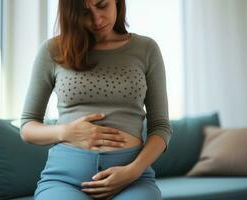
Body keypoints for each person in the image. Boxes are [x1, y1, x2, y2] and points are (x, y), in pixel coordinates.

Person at [20, 0, 173, 199]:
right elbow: (27, 127)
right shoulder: (53, 50)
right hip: (65, 180)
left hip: (133, 181)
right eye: (84, 12)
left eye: (102, 6)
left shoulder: (146, 48)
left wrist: (133, 171)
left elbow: (161, 126)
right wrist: (66, 132)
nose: (97, 19)